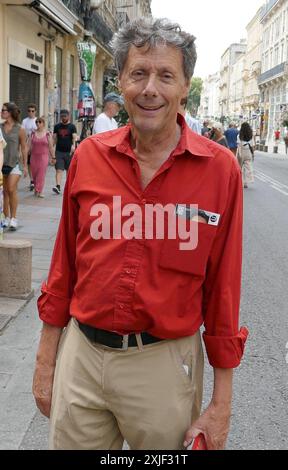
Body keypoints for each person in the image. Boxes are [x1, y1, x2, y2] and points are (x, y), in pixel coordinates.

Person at [33, 17, 248, 451]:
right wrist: (46, 360)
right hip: (83, 357)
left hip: (164, 366)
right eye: (139, 73)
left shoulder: (219, 169)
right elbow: (64, 268)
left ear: (185, 85)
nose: (151, 88)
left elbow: (223, 291)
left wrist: (221, 402)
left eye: (166, 75)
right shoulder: (89, 157)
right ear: (122, 82)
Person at [0, 102, 28, 231]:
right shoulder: (0, 127)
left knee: (11, 189)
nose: (1, 112)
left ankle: (14, 218)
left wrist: (25, 166)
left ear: (10, 112)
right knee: (4, 192)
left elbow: (23, 147)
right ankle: (6, 217)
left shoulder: (20, 129)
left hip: (15, 164)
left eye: (4, 110)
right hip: (2, 163)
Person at [29, 117, 55, 198]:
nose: (38, 123)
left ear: (43, 123)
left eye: (40, 122)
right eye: (36, 122)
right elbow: (28, 145)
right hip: (34, 156)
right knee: (34, 174)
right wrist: (24, 154)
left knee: (41, 174)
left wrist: (53, 157)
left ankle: (39, 191)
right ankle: (36, 189)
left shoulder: (47, 134)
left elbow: (51, 146)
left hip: (43, 157)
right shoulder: (33, 133)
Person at [52, 110, 77, 195]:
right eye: (62, 116)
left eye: (65, 116)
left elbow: (74, 138)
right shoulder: (57, 126)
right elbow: (54, 139)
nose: (63, 118)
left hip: (69, 152)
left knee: (68, 171)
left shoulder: (72, 126)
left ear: (68, 116)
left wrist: (73, 146)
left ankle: (68, 187)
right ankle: (58, 186)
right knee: (59, 170)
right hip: (59, 151)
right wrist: (51, 150)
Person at [22, 103, 37, 191]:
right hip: (27, 144)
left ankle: (35, 179)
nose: (30, 112)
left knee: (35, 164)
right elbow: (23, 133)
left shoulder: (37, 120)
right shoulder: (24, 121)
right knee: (29, 163)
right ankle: (31, 180)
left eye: (32, 111)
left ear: (35, 112)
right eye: (29, 111)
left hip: (36, 145)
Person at [237, 122, 255, 189]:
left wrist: (239, 154)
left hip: (241, 151)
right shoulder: (251, 135)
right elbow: (253, 146)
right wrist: (253, 154)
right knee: (248, 167)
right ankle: (246, 182)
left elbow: (238, 145)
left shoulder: (239, 135)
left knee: (240, 168)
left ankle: (240, 182)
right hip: (248, 152)